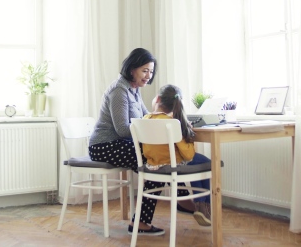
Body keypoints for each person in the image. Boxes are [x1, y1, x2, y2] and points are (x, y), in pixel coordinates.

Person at [88, 48, 196, 236]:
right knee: (154, 158)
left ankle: (152, 215)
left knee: (156, 158)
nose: (148, 75)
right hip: (104, 146)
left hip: (121, 144)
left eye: (151, 71)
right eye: (145, 70)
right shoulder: (119, 91)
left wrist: (173, 120)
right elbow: (122, 129)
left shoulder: (134, 90)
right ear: (132, 69)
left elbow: (148, 117)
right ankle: (180, 200)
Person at [142, 84, 212, 226]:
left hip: (153, 164)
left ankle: (200, 206)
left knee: (198, 162)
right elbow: (188, 155)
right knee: (207, 163)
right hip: (173, 164)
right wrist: (189, 137)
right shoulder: (173, 123)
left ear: (158, 99)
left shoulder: (145, 119)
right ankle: (202, 205)